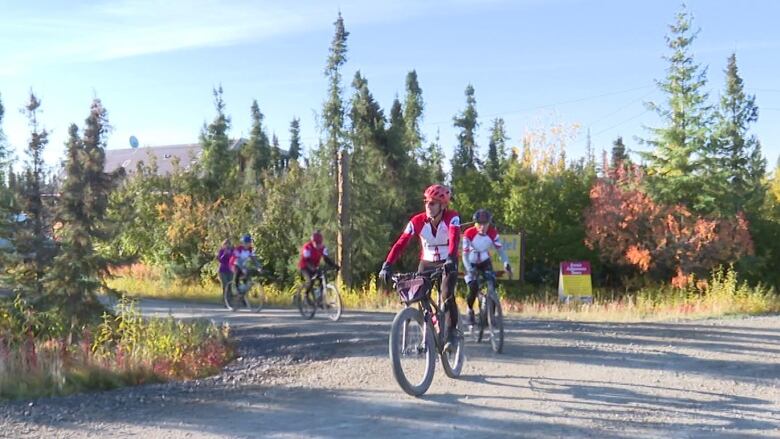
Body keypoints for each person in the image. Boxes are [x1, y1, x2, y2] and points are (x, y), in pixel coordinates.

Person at [379, 184, 462, 348]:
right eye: (426, 203)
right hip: (427, 262)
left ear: (442, 205)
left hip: (448, 260)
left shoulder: (452, 217)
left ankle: (452, 333)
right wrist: (387, 264)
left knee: (446, 294)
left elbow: (454, 238)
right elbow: (400, 243)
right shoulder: (417, 221)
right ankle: (429, 325)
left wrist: (452, 258)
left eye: (432, 203)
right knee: (418, 294)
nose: (428, 207)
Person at [462, 209, 512, 326]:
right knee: (473, 286)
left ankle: (491, 315)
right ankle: (470, 309)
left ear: (489, 223)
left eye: (485, 224)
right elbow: (465, 255)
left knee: (492, 284)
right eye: (480, 224)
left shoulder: (493, 233)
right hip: (471, 262)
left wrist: (506, 263)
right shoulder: (469, 233)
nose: (483, 227)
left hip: (485, 261)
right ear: (475, 223)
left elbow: (501, 251)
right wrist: (469, 269)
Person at [297, 230, 339, 304]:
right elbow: (307, 260)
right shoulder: (307, 247)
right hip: (305, 267)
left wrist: (334, 266)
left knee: (322, 280)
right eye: (316, 243)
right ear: (312, 241)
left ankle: (320, 300)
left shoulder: (322, 248)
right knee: (310, 281)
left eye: (319, 243)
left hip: (314, 267)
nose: (317, 245)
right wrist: (313, 268)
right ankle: (306, 295)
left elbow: (326, 258)